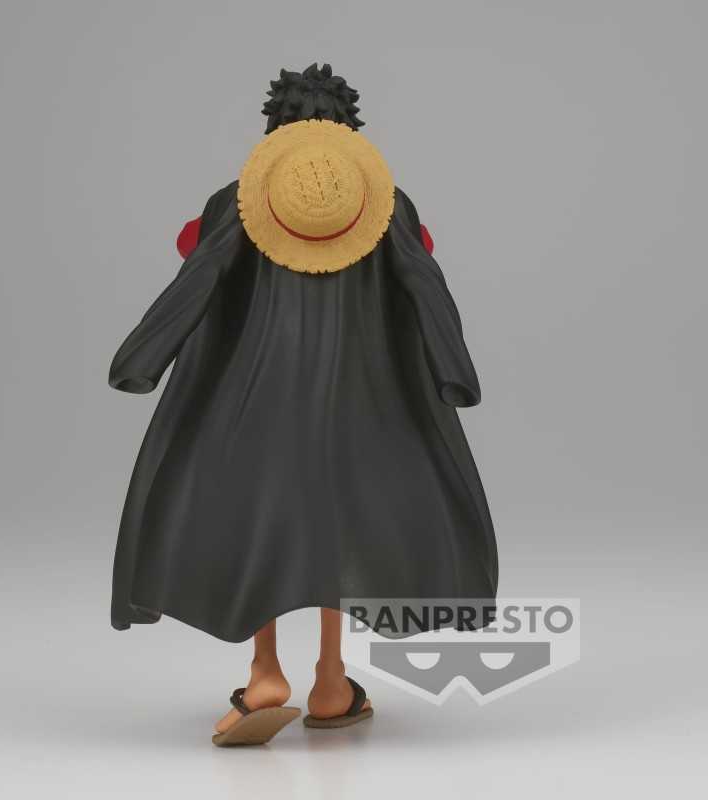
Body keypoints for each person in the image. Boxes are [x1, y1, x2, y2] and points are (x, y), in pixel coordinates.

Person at [108, 63, 497, 746]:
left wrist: (143, 357)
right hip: (362, 405)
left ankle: (264, 673)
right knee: (336, 531)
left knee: (262, 523)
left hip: (249, 399)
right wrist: (453, 373)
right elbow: (425, 278)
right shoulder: (387, 206)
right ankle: (331, 681)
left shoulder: (234, 203)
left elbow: (194, 265)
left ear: (274, 134)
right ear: (348, 134)